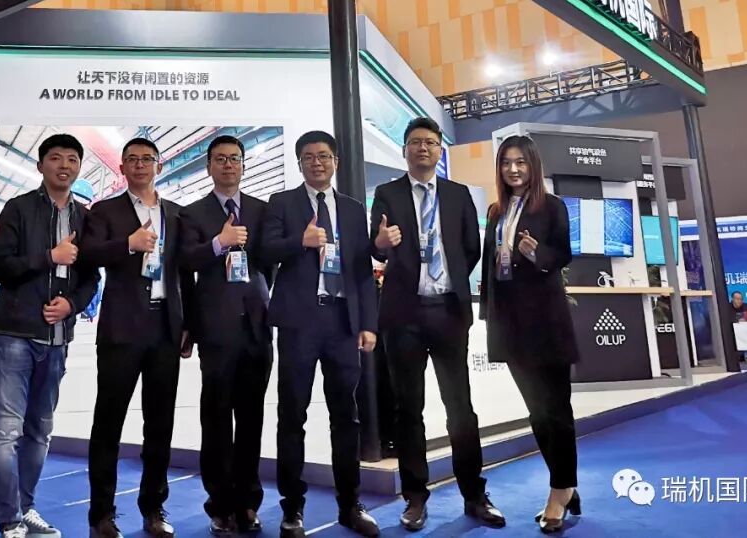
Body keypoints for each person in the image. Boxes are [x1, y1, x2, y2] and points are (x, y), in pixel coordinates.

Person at [369, 117, 505, 530]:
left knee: (460, 406)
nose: (423, 148)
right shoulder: (387, 193)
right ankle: (415, 498)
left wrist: (449, 278)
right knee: (408, 409)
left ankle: (474, 494)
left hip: (447, 311)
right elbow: (377, 247)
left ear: (440, 150)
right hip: (404, 315)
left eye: (430, 142)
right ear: (405, 150)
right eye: (415, 142)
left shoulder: (458, 194)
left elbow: (471, 248)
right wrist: (380, 244)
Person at [261, 131, 380, 538]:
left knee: (346, 416)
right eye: (309, 157)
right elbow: (264, 251)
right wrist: (300, 241)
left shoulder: (352, 209)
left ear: (336, 162)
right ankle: (292, 508)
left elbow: (362, 270)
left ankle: (350, 504)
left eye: (324, 156)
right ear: (300, 163)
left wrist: (367, 323)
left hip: (342, 323)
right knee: (292, 415)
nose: (317, 163)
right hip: (300, 324)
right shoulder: (282, 203)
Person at [0, 133, 100, 538]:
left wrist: (72, 305)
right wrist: (50, 257)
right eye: (55, 158)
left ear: (79, 167)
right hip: (14, 335)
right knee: (6, 432)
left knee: (39, 431)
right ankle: (9, 519)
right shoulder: (18, 209)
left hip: (56, 338)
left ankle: (26, 507)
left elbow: (90, 278)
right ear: (40, 165)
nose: (64, 165)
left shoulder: (86, 219)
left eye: (72, 159)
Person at [83, 138, 192, 538]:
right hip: (122, 329)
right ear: (122, 168)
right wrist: (127, 244)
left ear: (159, 167)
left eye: (147, 159)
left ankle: (154, 508)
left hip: (165, 328)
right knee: (108, 423)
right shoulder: (105, 211)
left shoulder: (176, 214)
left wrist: (189, 324)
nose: (140, 165)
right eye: (132, 159)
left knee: (160, 424)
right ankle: (101, 514)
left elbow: (185, 272)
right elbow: (89, 254)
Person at [479, 136, 579, 535]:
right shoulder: (495, 212)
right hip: (511, 325)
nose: (513, 169)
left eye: (520, 162)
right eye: (506, 162)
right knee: (537, 413)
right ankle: (566, 483)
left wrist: (536, 254)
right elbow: (489, 268)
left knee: (556, 410)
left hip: (546, 323)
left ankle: (560, 489)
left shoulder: (551, 206)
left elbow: (563, 254)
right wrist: (488, 316)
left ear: (533, 165)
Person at [180, 135, 276, 537]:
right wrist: (219, 243)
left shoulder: (261, 209)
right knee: (217, 419)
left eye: (234, 158)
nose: (228, 165)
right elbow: (185, 260)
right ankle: (220, 505)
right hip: (216, 330)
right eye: (219, 159)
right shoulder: (192, 213)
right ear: (208, 166)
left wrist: (256, 299)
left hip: (256, 328)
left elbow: (269, 262)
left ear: (243, 165)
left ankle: (248, 503)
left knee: (252, 418)